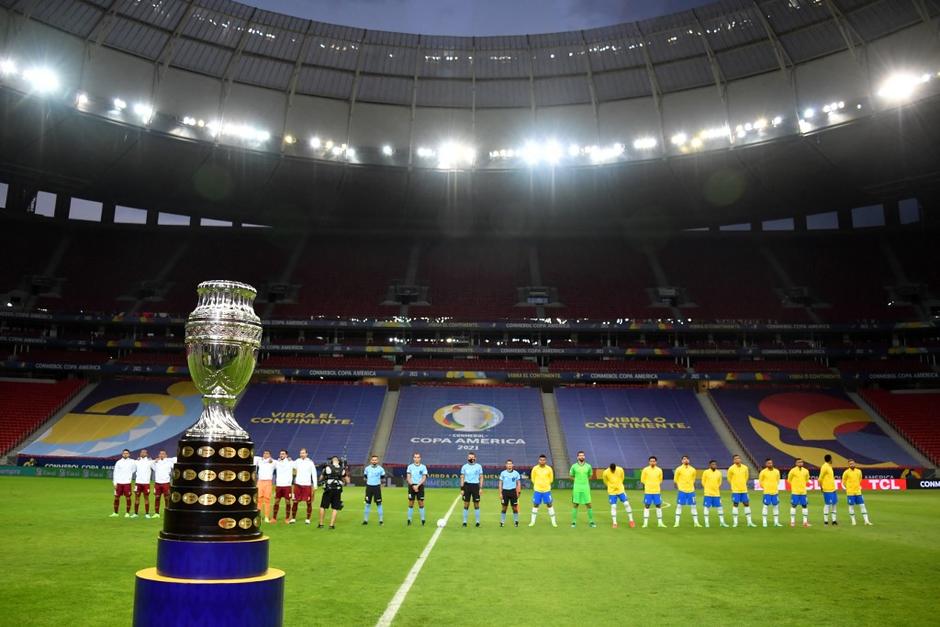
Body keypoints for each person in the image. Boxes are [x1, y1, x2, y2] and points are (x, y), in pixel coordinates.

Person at [318, 456, 348, 529]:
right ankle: (331, 525)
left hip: (328, 489)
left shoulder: (327, 467)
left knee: (323, 506)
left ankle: (321, 524)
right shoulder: (342, 469)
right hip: (337, 490)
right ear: (338, 461)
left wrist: (323, 478)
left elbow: (320, 478)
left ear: (331, 461)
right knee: (335, 508)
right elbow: (347, 480)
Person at [602, 462, 634, 528]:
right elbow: (605, 481)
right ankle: (614, 523)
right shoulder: (605, 472)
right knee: (613, 506)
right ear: (610, 468)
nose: (613, 471)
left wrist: (619, 485)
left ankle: (631, 521)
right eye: (612, 470)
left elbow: (622, 478)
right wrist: (611, 486)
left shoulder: (620, 469)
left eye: (614, 469)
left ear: (615, 467)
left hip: (620, 490)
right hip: (612, 491)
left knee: (626, 504)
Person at [727, 454, 756, 528]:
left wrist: (743, 484)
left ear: (740, 459)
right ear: (733, 460)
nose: (738, 460)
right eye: (736, 459)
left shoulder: (745, 468)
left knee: (746, 504)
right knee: (735, 504)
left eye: (738, 458)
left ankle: (749, 522)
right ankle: (735, 522)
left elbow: (746, 477)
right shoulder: (731, 468)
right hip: (736, 490)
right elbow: (729, 479)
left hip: (744, 490)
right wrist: (734, 485)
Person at [528, 454, 557, 527]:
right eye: (541, 460)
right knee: (535, 504)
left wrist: (545, 485)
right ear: (539, 460)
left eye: (543, 460)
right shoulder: (535, 468)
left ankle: (554, 522)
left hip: (546, 490)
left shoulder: (549, 469)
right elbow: (533, 479)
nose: (542, 461)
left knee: (549, 504)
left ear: (545, 461)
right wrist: (538, 485)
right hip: (537, 490)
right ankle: (532, 522)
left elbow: (551, 479)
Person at [842, 459, 872, 526]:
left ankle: (866, 521)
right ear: (848, 465)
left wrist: (857, 486)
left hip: (858, 492)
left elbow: (860, 479)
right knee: (851, 506)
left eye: (853, 463)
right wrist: (848, 488)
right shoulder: (846, 472)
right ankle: (853, 521)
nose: (852, 465)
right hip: (850, 493)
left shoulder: (859, 471)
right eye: (850, 464)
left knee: (862, 506)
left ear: (855, 463)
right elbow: (843, 482)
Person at [569, 451, 595, 528]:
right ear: (577, 457)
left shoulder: (588, 466)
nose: (581, 457)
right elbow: (571, 475)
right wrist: (577, 481)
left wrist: (584, 482)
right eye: (580, 455)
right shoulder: (574, 466)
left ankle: (591, 521)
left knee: (589, 504)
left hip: (586, 487)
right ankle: (573, 522)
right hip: (577, 488)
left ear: (584, 457)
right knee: (575, 504)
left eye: (583, 455)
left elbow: (590, 475)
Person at [291, 448, 317, 525]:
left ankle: (308, 519)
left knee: (308, 503)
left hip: (307, 485)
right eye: (300, 453)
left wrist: (315, 485)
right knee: (295, 502)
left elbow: (314, 474)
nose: (302, 454)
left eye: (303, 453)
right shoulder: (297, 461)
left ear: (306, 454)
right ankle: (293, 518)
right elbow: (290, 465)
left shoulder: (310, 462)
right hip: (298, 484)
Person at [673, 455, 701, 528]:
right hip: (682, 490)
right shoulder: (678, 469)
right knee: (679, 506)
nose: (686, 460)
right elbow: (675, 480)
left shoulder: (693, 469)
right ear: (682, 461)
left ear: (689, 460)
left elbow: (693, 479)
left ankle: (696, 522)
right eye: (684, 459)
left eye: (687, 459)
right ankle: (676, 523)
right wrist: (679, 487)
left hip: (691, 491)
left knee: (693, 506)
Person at [701, 460, 729, 528]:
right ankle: (707, 523)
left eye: (715, 464)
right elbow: (703, 482)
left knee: (720, 507)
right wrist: (708, 488)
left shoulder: (719, 473)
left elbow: (719, 482)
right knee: (707, 507)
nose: (714, 465)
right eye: (712, 464)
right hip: (708, 493)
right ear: (710, 465)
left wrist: (715, 488)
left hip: (716, 494)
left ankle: (722, 522)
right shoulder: (706, 472)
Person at [640, 456, 666, 528]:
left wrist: (655, 484)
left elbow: (660, 480)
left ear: (656, 462)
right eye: (651, 461)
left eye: (653, 461)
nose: (652, 462)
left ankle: (660, 523)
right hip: (648, 491)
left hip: (656, 491)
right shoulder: (645, 470)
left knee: (658, 506)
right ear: (649, 462)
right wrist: (649, 484)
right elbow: (642, 480)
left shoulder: (659, 470)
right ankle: (645, 523)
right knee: (647, 506)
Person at [460, 453, 484, 527]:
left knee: (476, 504)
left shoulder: (479, 466)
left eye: (472, 457)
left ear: (475, 458)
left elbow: (481, 477)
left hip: (475, 486)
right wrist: (462, 488)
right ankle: (464, 522)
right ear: (467, 458)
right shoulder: (464, 466)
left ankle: (477, 522)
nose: (471, 458)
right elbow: (462, 477)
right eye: (469, 457)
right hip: (467, 486)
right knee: (466, 504)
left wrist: (480, 488)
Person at [151, 450, 176, 519]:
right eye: (160, 454)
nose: (161, 455)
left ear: (166, 455)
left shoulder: (169, 462)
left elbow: (175, 466)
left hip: (166, 483)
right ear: (159, 455)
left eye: (163, 454)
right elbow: (153, 467)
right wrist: (154, 462)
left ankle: (167, 513)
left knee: (167, 498)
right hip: (157, 484)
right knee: (157, 498)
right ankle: (156, 513)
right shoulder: (156, 463)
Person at [111, 448, 136, 518]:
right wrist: (114, 483)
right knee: (116, 498)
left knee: (128, 498)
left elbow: (134, 469)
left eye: (127, 453)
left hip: (127, 483)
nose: (125, 454)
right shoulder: (118, 462)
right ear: (122, 454)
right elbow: (115, 473)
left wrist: (129, 476)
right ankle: (115, 513)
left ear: (129, 454)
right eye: (124, 453)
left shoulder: (132, 462)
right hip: (119, 483)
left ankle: (127, 513)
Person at [758, 458, 782, 527]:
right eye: (768, 463)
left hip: (775, 492)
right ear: (766, 464)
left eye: (771, 463)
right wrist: (765, 487)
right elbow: (760, 481)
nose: (770, 464)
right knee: (765, 506)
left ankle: (776, 522)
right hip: (767, 492)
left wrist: (774, 486)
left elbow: (778, 480)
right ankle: (764, 522)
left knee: (776, 506)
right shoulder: (763, 472)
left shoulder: (777, 471)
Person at [272, 450, 294, 524]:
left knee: (287, 502)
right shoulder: (277, 462)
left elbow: (298, 464)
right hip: (278, 486)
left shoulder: (290, 462)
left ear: (286, 455)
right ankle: (274, 518)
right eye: (281, 453)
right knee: (276, 501)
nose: (281, 455)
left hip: (287, 486)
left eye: (283, 454)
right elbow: (268, 461)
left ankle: (287, 518)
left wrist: (309, 460)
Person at [787, 458, 811, 527]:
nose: (800, 463)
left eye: (801, 462)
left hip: (803, 492)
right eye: (799, 462)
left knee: (804, 506)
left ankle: (805, 522)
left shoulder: (806, 471)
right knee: (794, 506)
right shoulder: (793, 471)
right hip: (795, 492)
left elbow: (807, 480)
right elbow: (789, 480)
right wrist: (795, 486)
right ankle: (792, 522)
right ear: (796, 463)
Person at [406, 453, 428, 526]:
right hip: (411, 486)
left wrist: (417, 486)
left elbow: (424, 478)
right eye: (415, 457)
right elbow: (408, 477)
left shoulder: (423, 467)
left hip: (420, 487)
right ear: (413, 458)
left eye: (418, 457)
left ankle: (423, 520)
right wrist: (413, 485)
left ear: (420, 458)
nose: (416, 458)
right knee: (411, 503)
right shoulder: (410, 467)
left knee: (421, 503)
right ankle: (409, 520)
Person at [363, 455, 385, 525]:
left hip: (377, 488)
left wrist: (380, 485)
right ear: (371, 461)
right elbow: (365, 477)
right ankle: (365, 520)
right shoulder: (367, 469)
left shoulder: (381, 469)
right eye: (373, 460)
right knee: (367, 504)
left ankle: (381, 520)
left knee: (379, 504)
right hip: (369, 487)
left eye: (375, 460)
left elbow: (382, 478)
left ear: (377, 461)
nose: (374, 461)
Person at [254, 450, 276, 523]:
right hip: (260, 482)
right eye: (264, 453)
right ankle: (258, 516)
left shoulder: (273, 462)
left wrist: (288, 459)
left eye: (267, 453)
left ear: (270, 455)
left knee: (267, 500)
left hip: (268, 482)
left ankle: (266, 517)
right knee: (259, 499)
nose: (265, 454)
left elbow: (281, 463)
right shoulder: (259, 460)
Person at [498, 459, 521, 527]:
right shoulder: (503, 473)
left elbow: (518, 483)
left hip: (513, 492)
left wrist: (518, 492)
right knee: (504, 508)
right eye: (508, 464)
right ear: (506, 465)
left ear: (512, 465)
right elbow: (500, 484)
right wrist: (500, 493)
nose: (509, 465)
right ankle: (502, 522)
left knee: (514, 508)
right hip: (505, 492)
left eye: (510, 464)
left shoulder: (516, 473)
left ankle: (516, 521)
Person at [133, 449, 154, 519]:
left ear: (147, 454)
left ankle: (147, 514)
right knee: (136, 498)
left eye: (144, 452)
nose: (143, 453)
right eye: (142, 452)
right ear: (140, 453)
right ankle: (135, 513)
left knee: (146, 498)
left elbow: (157, 463)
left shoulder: (150, 462)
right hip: (138, 483)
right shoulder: (136, 461)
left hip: (146, 483)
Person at [819, 453, 838, 526]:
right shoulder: (824, 467)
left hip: (833, 488)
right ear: (830, 459)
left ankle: (834, 520)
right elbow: (820, 478)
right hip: (827, 489)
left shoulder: (829, 466)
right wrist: (821, 487)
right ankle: (826, 521)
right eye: (832, 458)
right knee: (827, 504)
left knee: (834, 504)